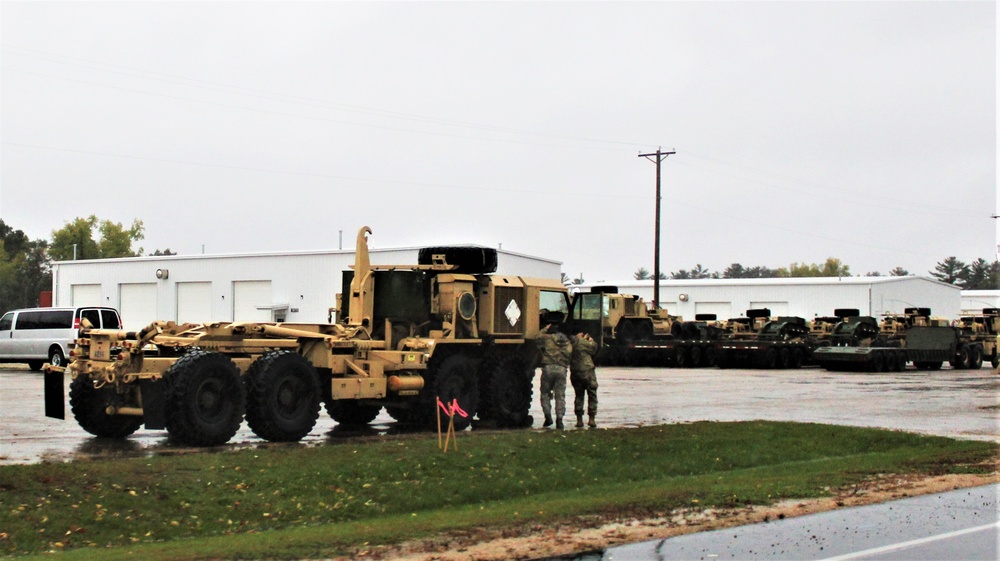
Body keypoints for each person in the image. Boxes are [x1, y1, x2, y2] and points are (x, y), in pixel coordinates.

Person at [537, 324, 572, 429]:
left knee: (545, 394)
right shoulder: (566, 341)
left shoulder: (547, 338)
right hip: (561, 369)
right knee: (560, 396)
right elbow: (570, 352)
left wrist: (545, 328)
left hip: (548, 368)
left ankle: (548, 417)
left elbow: (536, 336)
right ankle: (559, 420)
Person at [570, 332, 599, 428]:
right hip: (587, 371)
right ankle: (591, 419)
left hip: (575, 371)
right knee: (592, 394)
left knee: (579, 396)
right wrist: (591, 340)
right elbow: (593, 348)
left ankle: (579, 420)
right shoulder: (582, 342)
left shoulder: (570, 342)